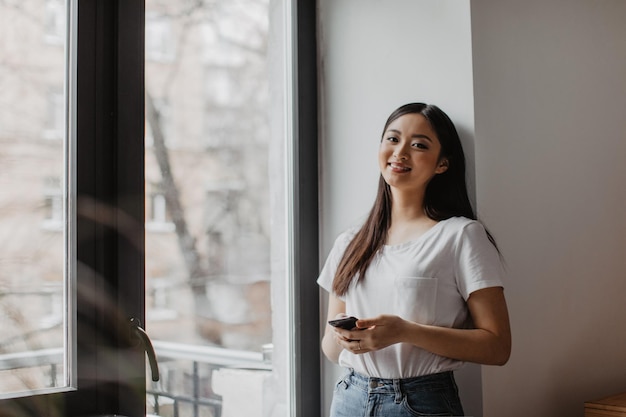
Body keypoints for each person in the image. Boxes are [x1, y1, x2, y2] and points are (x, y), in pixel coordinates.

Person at [318, 102, 511, 417]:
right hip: (349, 398)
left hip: (420, 403)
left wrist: (404, 331)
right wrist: (349, 338)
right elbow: (329, 348)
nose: (401, 151)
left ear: (442, 164)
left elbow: (498, 347)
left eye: (419, 145)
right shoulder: (350, 242)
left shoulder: (461, 236)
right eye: (392, 139)